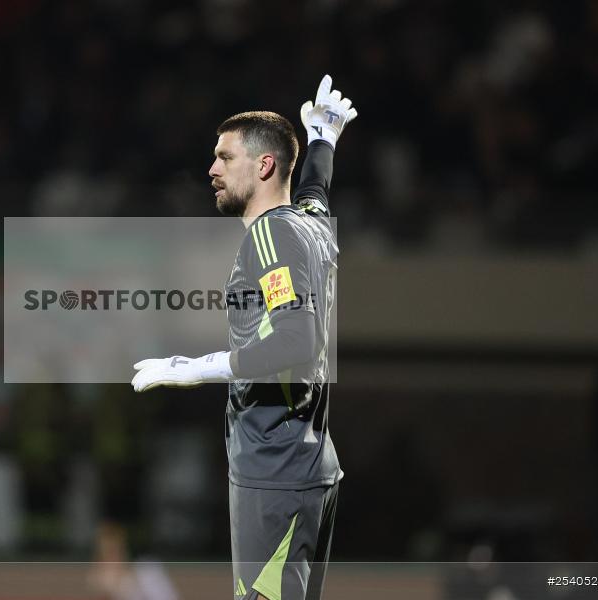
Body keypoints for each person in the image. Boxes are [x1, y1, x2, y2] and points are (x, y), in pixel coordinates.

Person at [131, 75, 357, 600]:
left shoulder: (272, 234)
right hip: (310, 464)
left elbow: (296, 343)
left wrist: (196, 368)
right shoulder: (309, 224)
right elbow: (316, 191)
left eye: (224, 157)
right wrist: (323, 139)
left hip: (273, 470)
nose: (211, 169)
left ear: (263, 166)